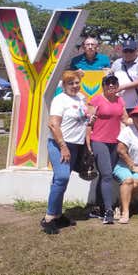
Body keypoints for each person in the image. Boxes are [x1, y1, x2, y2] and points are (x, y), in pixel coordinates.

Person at [41, 70, 90, 234]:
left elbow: (85, 117)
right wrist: (63, 146)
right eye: (71, 83)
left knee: (61, 180)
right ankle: (48, 218)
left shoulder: (82, 98)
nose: (75, 86)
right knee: (61, 177)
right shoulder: (59, 100)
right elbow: (53, 124)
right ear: (64, 85)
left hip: (76, 144)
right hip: (59, 144)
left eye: (77, 82)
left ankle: (58, 214)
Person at [87, 74, 132, 224]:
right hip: (99, 141)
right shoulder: (96, 100)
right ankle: (108, 211)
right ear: (103, 86)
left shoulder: (120, 100)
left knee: (105, 175)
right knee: (106, 174)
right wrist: (88, 143)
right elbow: (88, 122)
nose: (111, 85)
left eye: (114, 83)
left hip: (114, 142)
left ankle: (97, 209)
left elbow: (125, 119)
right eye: (108, 83)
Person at [110, 39, 138, 113]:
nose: (128, 54)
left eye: (131, 51)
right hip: (117, 104)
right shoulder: (117, 63)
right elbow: (110, 77)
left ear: (136, 51)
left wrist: (122, 87)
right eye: (125, 51)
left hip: (135, 105)